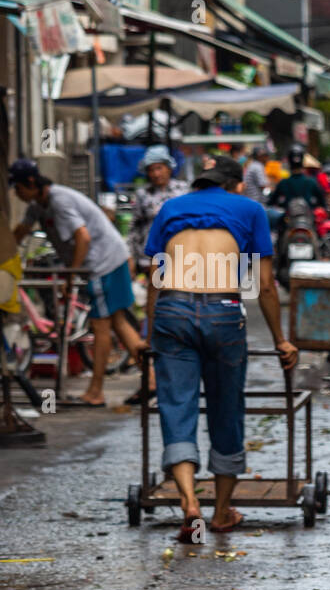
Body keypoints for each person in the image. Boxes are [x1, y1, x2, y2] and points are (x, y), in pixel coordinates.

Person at [143, 156, 297, 542]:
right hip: (223, 310)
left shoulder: (170, 207)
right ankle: (222, 511)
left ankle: (190, 504)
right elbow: (265, 286)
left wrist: (150, 334)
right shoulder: (251, 209)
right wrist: (281, 339)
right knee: (226, 407)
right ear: (237, 184)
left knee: (176, 406)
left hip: (172, 308)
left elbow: (154, 277)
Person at [9, 159, 144, 408]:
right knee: (118, 322)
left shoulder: (59, 201)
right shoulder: (37, 205)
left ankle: (96, 392)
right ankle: (153, 380)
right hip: (107, 261)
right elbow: (21, 232)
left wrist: (71, 276)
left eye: (18, 188)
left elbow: (83, 236)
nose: (16, 194)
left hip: (103, 263)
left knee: (101, 326)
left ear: (31, 183)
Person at [128, 145, 188, 277]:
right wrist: (132, 257)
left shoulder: (183, 190)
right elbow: (134, 227)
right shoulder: (143, 194)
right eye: (151, 170)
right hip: (150, 257)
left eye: (159, 168)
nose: (155, 174)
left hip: (180, 254)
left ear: (169, 168)